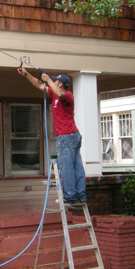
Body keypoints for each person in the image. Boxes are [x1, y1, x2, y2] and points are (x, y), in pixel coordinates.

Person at [17, 67, 86, 205]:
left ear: (60, 84)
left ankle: (71, 196)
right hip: (71, 136)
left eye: (55, 81)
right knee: (76, 166)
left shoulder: (67, 95)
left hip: (67, 136)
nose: (52, 82)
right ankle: (80, 195)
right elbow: (39, 85)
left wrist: (48, 78)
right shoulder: (54, 94)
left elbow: (60, 94)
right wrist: (26, 75)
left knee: (67, 167)